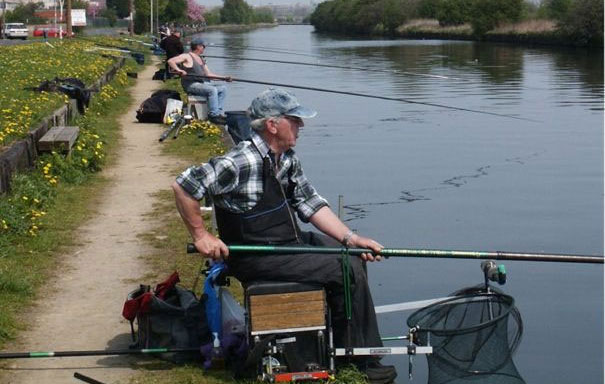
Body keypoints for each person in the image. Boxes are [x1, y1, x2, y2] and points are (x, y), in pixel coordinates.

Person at [172, 88, 397, 383]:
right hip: (255, 255)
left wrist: (351, 238)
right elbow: (184, 186)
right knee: (345, 267)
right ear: (272, 124)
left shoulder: (286, 158)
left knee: (352, 256)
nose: (301, 126)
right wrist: (202, 235)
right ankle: (360, 358)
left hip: (284, 244)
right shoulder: (243, 160)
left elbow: (310, 204)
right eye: (296, 120)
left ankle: (341, 343)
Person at [168, 38, 232, 125]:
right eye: (203, 46)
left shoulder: (200, 59)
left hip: (201, 84)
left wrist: (224, 78)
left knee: (223, 89)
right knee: (212, 90)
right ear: (198, 47)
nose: (204, 48)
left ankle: (218, 113)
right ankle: (213, 116)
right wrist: (180, 70)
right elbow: (171, 61)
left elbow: (209, 75)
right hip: (190, 85)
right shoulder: (187, 56)